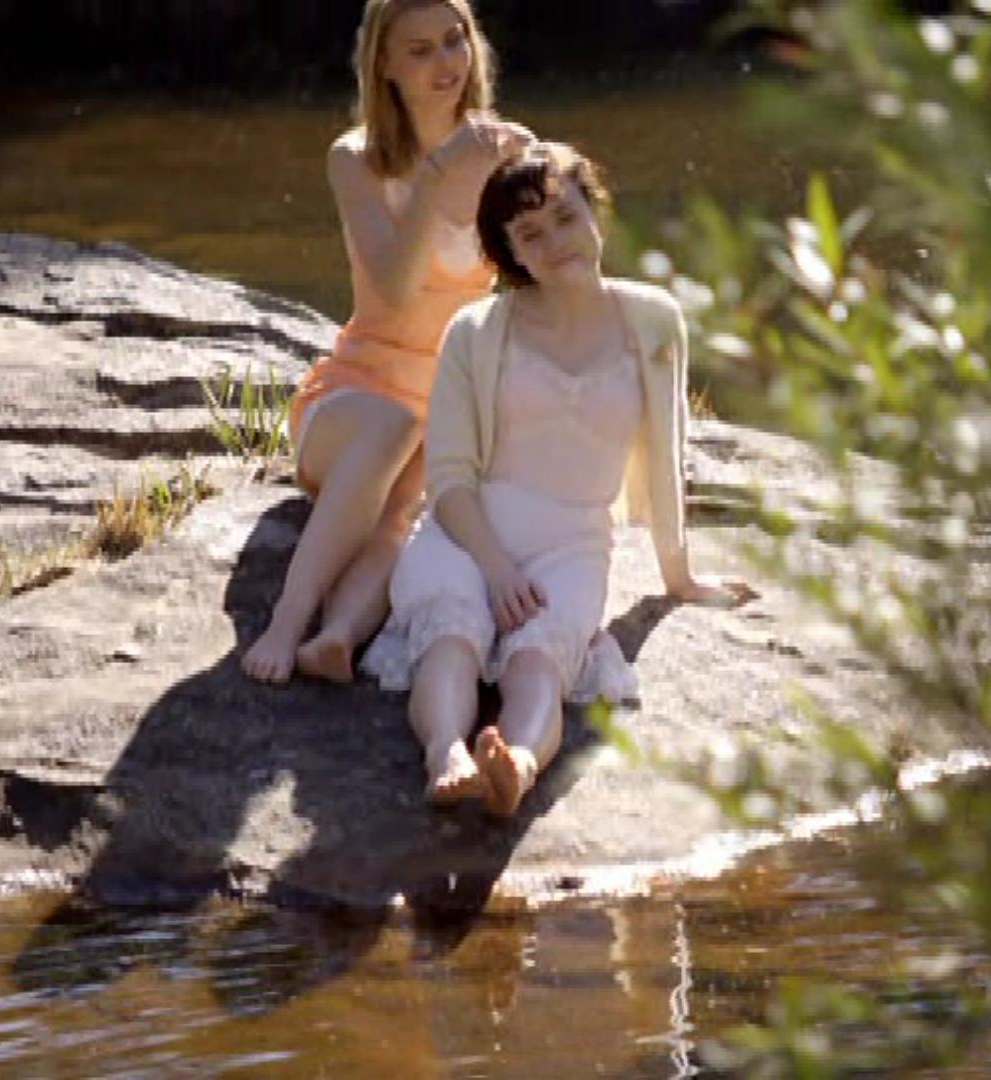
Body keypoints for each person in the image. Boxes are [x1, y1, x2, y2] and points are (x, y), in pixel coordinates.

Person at [374, 142, 751, 817]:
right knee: (451, 639)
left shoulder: (654, 321)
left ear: (595, 214)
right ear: (511, 253)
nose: (555, 243)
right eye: (530, 234)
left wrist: (681, 577)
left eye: (566, 219)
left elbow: (667, 458)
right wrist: (495, 568)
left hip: (573, 545)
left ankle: (516, 767)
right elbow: (449, 476)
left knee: (541, 662)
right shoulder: (474, 330)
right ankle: (447, 757)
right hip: (468, 535)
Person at [241, 0, 533, 684]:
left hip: (445, 408)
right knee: (393, 427)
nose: (446, 62)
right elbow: (397, 290)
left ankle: (336, 637)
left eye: (455, 40)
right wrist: (437, 175)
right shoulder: (356, 159)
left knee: (409, 509)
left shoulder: (506, 153)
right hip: (350, 404)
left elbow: (544, 280)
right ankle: (286, 621)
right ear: (385, 66)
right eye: (420, 50)